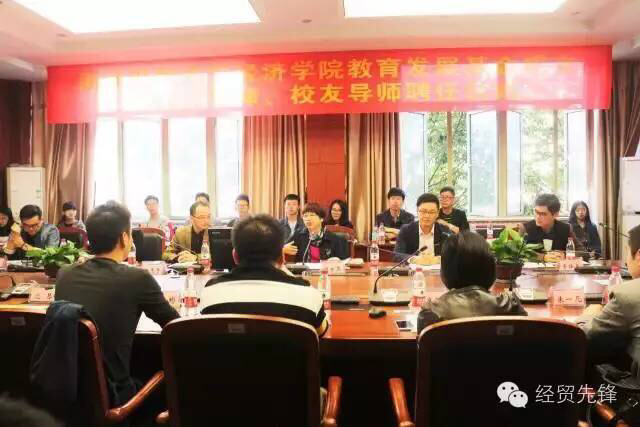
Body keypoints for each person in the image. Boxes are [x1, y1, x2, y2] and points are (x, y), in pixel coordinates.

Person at [55, 201, 179, 406]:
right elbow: (175, 326)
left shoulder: (64, 274)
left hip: (68, 390)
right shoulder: (137, 278)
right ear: (124, 238)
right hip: (115, 396)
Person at [201, 214, 328, 336]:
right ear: (281, 257)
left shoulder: (210, 292)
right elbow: (320, 332)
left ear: (235, 256)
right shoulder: (308, 296)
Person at [417, 231, 527, 332]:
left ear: (445, 271)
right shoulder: (510, 305)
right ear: (491, 268)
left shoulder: (432, 312)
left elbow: (422, 345)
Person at [576, 224, 640, 379]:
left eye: (627, 252)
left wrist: (587, 315)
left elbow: (584, 338)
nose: (626, 262)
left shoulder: (628, 294)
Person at [519, 193, 583, 259]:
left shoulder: (566, 228)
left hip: (558, 265)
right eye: (536, 212)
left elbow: (583, 252)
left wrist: (565, 255)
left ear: (555, 214)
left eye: (543, 214)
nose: (537, 217)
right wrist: (543, 257)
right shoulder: (525, 228)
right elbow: (517, 253)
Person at [283, 203, 349, 262]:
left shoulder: (336, 239)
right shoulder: (298, 235)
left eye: (312, 215)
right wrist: (283, 249)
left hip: (325, 271)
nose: (308, 219)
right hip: (305, 271)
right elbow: (282, 247)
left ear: (321, 219)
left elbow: (345, 262)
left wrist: (337, 261)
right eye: (305, 216)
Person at [394, 193, 450, 259]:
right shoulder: (406, 230)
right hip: (414, 265)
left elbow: (452, 257)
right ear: (417, 211)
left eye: (431, 212)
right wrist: (415, 259)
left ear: (437, 213)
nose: (427, 216)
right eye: (423, 211)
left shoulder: (445, 232)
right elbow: (397, 255)